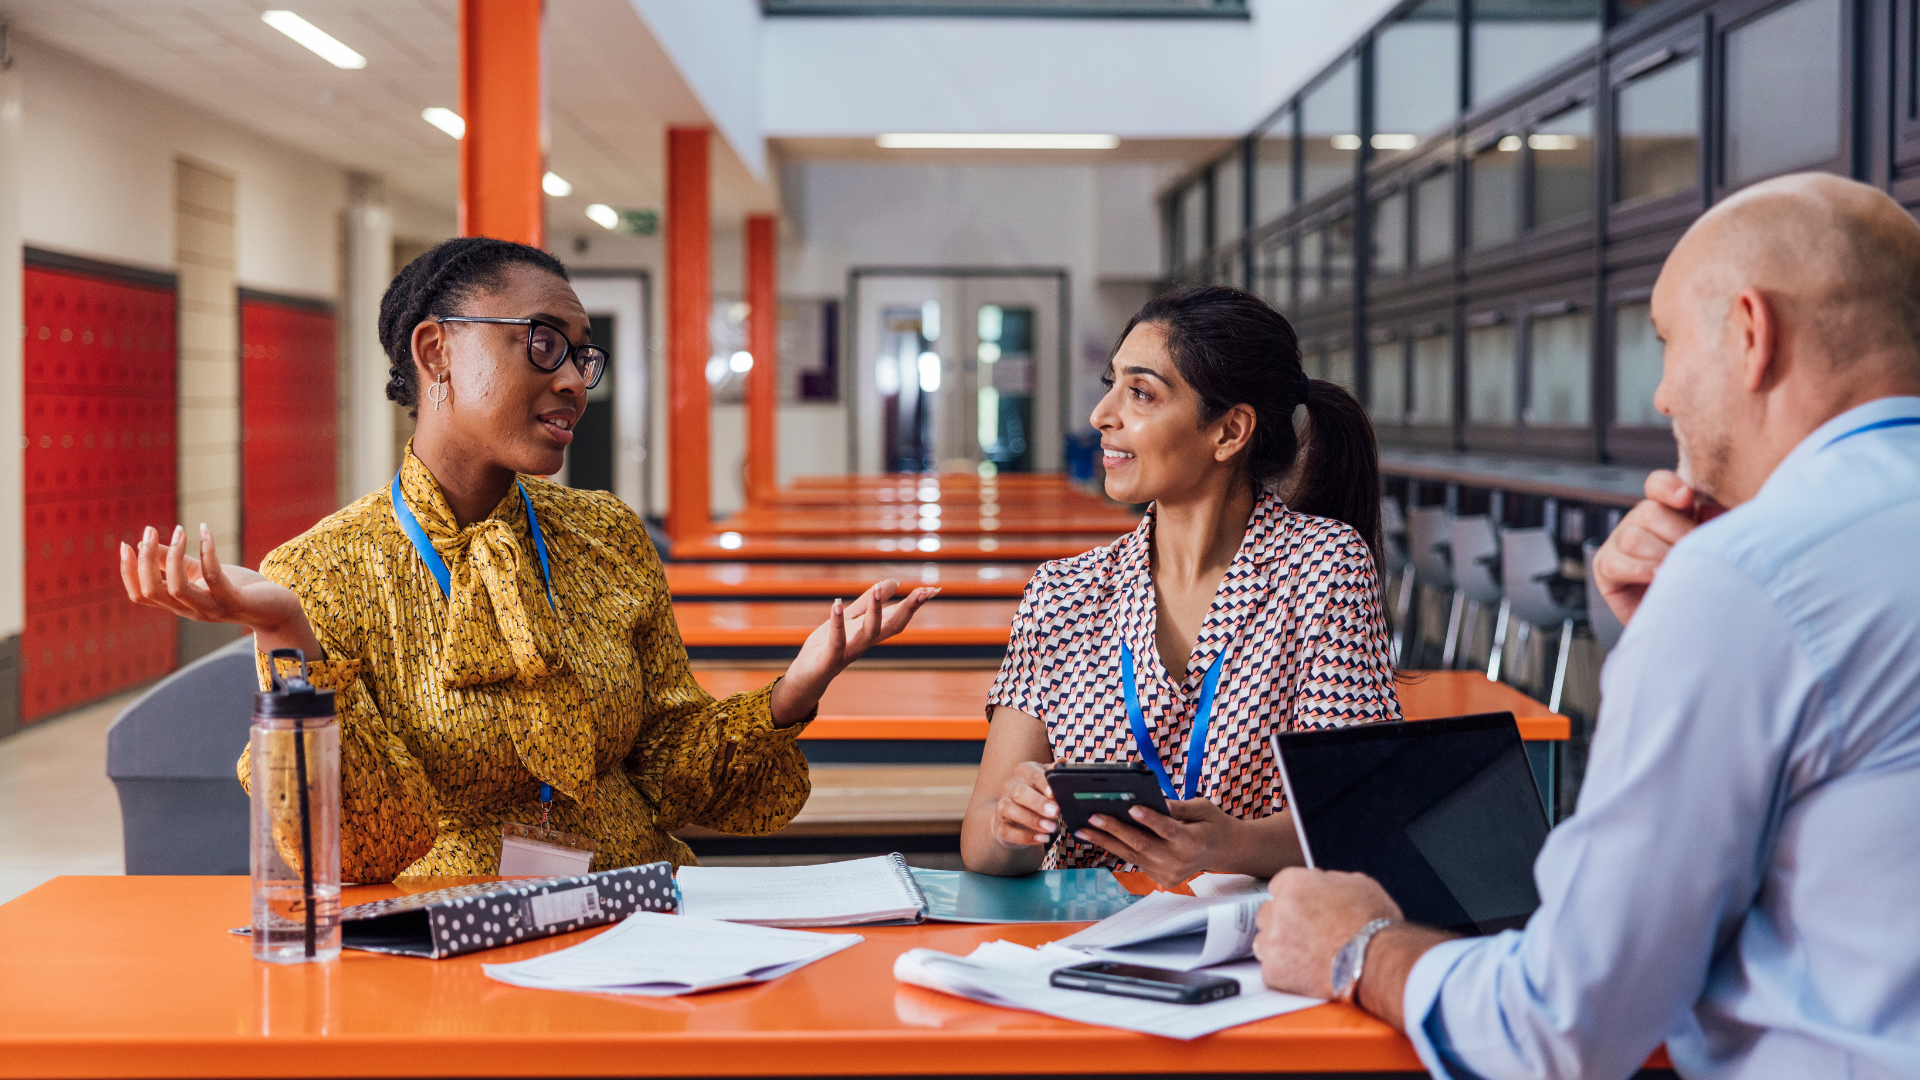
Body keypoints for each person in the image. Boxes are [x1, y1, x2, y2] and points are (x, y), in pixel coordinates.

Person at [1252, 173, 1920, 1079]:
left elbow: (1563, 1025)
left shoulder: (1749, 580)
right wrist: (1666, 640)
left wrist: (1359, 947)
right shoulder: (1756, 582)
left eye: (1669, 343)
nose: (1661, 396)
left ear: (1752, 334)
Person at [118, 237, 937, 882]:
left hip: (639, 917)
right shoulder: (321, 571)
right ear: (436, 351)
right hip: (456, 948)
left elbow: (671, 770)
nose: (576, 380)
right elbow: (353, 852)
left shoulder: (605, 536)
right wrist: (286, 632)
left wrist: (798, 687)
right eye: (544, 344)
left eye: (584, 355)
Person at [961, 285, 1401, 888]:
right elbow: (981, 842)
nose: (1102, 416)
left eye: (1140, 392)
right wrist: (1012, 823)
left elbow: (1360, 815)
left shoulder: (1323, 569)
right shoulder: (1063, 592)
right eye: (1109, 384)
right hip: (1078, 952)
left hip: (1258, 949)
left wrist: (1231, 844)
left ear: (1229, 431)